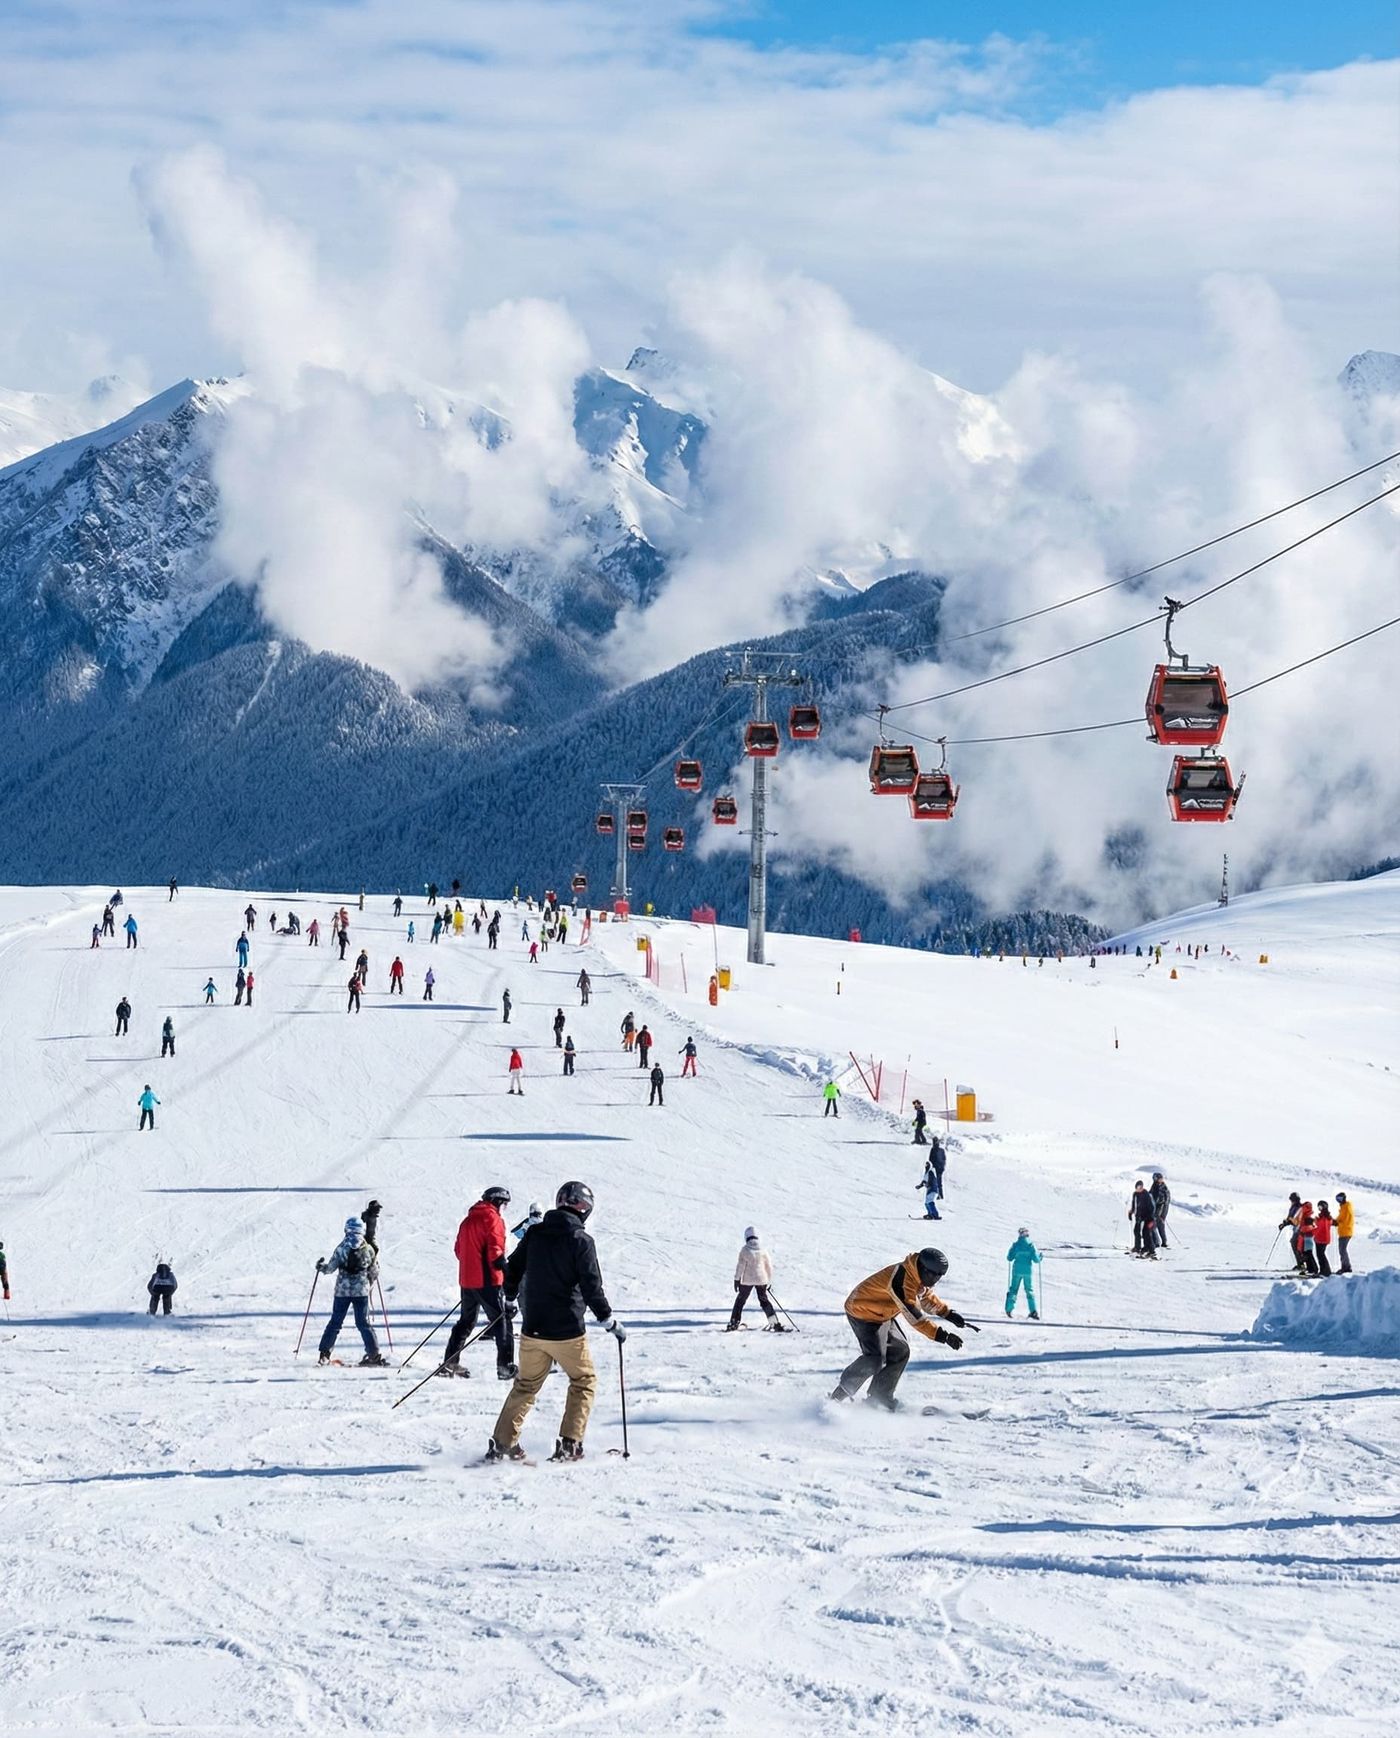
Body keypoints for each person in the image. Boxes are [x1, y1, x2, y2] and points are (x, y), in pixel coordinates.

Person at [489, 1181, 623, 1464]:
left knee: (526, 1385)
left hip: (533, 1327)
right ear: (583, 1208)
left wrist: (510, 1300)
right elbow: (591, 1286)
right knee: (584, 1380)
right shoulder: (581, 1241)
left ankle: (502, 1444)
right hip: (567, 1330)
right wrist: (608, 1320)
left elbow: (513, 1270)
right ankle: (570, 1444)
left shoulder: (535, 1233)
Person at [830, 1248, 966, 1410]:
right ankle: (838, 1396)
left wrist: (948, 1314)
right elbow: (915, 1317)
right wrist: (943, 1336)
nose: (935, 1279)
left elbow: (926, 1297)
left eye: (939, 1275)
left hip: (881, 1315)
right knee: (874, 1359)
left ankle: (879, 1397)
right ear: (923, 1268)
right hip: (862, 1312)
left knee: (900, 1351)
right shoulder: (900, 1280)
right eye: (933, 1274)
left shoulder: (917, 1275)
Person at [440, 1186, 517, 1380]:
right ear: (497, 1202)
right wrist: (507, 1271)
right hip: (487, 1280)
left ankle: (450, 1362)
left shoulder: (467, 1221)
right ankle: (505, 1366)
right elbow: (495, 1251)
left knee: (466, 1321)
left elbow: (458, 1250)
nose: (504, 1209)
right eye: (504, 1204)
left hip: (467, 1281)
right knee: (502, 1321)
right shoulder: (492, 1218)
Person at [315, 1217, 386, 1366]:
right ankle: (373, 1355)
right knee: (363, 1323)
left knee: (335, 1322)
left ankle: (324, 1355)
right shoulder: (368, 1249)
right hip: (361, 1292)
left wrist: (321, 1267)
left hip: (342, 1291)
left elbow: (330, 1268)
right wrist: (368, 1282)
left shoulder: (342, 1248)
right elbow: (375, 1271)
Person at [728, 1228, 784, 1331]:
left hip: (747, 1281)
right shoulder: (763, 1250)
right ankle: (775, 1323)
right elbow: (769, 1267)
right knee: (764, 1301)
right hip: (761, 1280)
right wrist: (769, 1281)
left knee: (740, 1301)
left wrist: (737, 1279)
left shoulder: (745, 1250)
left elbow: (740, 1266)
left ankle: (733, 1323)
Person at [1005, 1229, 1042, 1319]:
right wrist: (1040, 1257)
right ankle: (1033, 1311)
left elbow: (1009, 1258)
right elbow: (1036, 1260)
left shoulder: (1016, 1245)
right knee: (1029, 1290)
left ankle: (1009, 1309)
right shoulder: (1031, 1246)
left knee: (1013, 1289)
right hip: (1027, 1271)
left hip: (1017, 1270)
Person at [1129, 1181, 1158, 1258]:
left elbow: (1151, 1208)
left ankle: (1151, 1250)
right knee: (1136, 1231)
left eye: (1140, 1187)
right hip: (1139, 1216)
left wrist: (1148, 1218)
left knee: (1146, 1233)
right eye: (1137, 1188)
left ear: (1142, 1187)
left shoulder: (1146, 1194)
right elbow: (1134, 1204)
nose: (1138, 1189)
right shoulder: (1135, 1194)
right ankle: (1137, 1247)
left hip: (1148, 1217)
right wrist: (1131, 1211)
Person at [1279, 1193, 1304, 1269]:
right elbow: (1290, 1217)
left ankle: (1301, 1264)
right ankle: (1300, 1264)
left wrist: (1286, 1222)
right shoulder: (1293, 1207)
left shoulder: (1298, 1207)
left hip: (1299, 1229)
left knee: (1295, 1244)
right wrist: (1284, 1223)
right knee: (1295, 1244)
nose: (1291, 1201)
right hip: (1296, 1229)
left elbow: (1295, 1219)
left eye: (1291, 1200)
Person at [1297, 1201, 1319, 1276]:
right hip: (1304, 1236)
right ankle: (1310, 1269)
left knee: (1308, 1253)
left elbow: (1310, 1227)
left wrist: (1303, 1231)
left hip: (1307, 1237)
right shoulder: (1305, 1216)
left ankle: (1314, 1269)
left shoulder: (1308, 1217)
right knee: (1306, 1253)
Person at [1150, 1171, 1172, 1249]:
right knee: (1159, 1226)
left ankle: (1157, 1242)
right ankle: (1163, 1242)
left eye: (1160, 1178)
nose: (1159, 1180)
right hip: (1157, 1211)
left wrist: (1162, 1214)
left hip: (1160, 1211)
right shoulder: (1155, 1186)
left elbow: (1163, 1201)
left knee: (1153, 1226)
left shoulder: (1163, 1188)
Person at [917, 1154, 942, 1220]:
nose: (926, 1166)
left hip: (933, 1189)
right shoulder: (927, 1173)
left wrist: (928, 1184)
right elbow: (924, 1181)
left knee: (930, 1202)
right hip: (930, 1189)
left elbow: (932, 1180)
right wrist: (919, 1186)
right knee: (926, 1202)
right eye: (926, 1165)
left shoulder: (931, 1172)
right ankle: (930, 1214)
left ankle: (935, 1215)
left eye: (927, 1165)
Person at [1314, 1200, 1334, 1276]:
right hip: (1322, 1238)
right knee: (1320, 1255)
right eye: (1318, 1207)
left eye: (1320, 1207)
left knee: (1321, 1255)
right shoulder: (1325, 1216)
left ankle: (1325, 1271)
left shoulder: (1324, 1217)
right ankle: (1324, 1270)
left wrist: (1313, 1232)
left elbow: (1320, 1227)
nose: (1319, 1208)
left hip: (1321, 1239)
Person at [1336, 1192, 1355, 1273]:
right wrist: (1335, 1221)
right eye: (1337, 1199)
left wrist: (1337, 1223)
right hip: (1343, 1232)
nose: (1339, 1201)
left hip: (1346, 1232)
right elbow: (1340, 1218)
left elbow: (1346, 1220)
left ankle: (1346, 1267)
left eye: (1340, 1198)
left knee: (1342, 1250)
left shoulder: (1347, 1207)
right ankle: (1344, 1266)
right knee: (1342, 1250)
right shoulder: (1343, 1208)